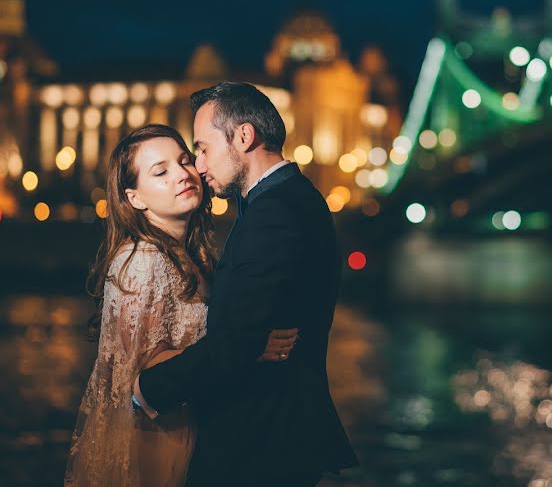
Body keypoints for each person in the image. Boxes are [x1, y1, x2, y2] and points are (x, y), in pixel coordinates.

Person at [134, 82, 358, 486]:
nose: (199, 165)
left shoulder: (273, 212)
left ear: (243, 136)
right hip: (272, 439)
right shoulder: (290, 198)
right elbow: (245, 335)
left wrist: (145, 388)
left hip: (257, 445)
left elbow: (234, 344)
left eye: (203, 148)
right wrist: (251, 342)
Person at [64, 124, 298, 486]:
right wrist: (247, 345)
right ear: (134, 198)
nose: (183, 174)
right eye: (161, 172)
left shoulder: (192, 256)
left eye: (185, 161)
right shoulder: (142, 261)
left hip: (200, 427)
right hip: (158, 440)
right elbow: (139, 375)